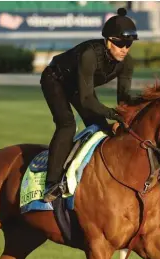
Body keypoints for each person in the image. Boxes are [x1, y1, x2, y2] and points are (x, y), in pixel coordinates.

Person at [40, 8, 139, 202]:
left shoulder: (127, 63)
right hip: (55, 80)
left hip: (79, 86)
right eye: (120, 44)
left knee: (102, 129)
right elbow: (86, 99)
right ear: (108, 41)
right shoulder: (89, 54)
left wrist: (140, 106)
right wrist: (112, 113)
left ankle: (97, 178)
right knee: (67, 124)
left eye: (129, 44)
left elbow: (124, 98)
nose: (125, 49)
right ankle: (51, 184)